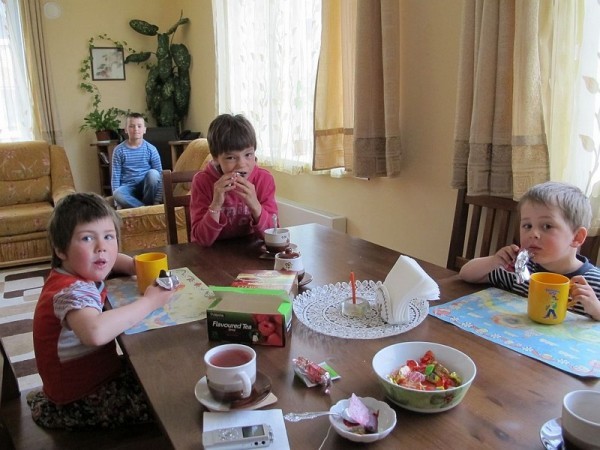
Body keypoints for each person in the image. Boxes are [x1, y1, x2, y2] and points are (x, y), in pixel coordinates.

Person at [28, 192, 174, 429]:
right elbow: (94, 332)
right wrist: (150, 302)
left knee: (158, 365)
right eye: (87, 238)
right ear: (60, 250)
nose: (102, 248)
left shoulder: (74, 271)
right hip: (79, 399)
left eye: (109, 236)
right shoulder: (72, 291)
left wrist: (135, 265)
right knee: (169, 398)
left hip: (92, 376)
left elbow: (109, 259)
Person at [459, 181, 600, 321]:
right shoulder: (521, 269)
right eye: (527, 226)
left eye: (547, 226)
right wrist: (493, 261)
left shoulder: (593, 283)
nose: (533, 234)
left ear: (577, 237)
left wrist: (597, 309)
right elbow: (466, 274)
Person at [189, 114, 278, 246]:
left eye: (248, 154)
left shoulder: (264, 180)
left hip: (251, 252)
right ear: (216, 158)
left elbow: (273, 235)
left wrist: (255, 205)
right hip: (212, 254)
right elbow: (201, 240)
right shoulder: (202, 182)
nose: (242, 164)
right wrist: (216, 204)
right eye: (231, 158)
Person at [111, 112, 163, 209]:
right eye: (131, 126)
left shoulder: (151, 149)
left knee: (154, 174)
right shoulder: (118, 150)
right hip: (128, 189)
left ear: (144, 130)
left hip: (146, 189)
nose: (136, 129)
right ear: (126, 130)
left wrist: (157, 200)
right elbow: (115, 177)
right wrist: (117, 203)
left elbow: (160, 175)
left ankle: (148, 205)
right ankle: (146, 208)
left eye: (139, 126)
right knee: (117, 193)